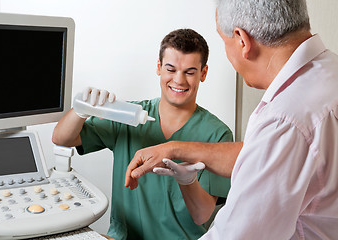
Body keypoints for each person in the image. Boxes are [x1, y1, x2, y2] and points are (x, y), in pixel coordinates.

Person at [125, 0, 338, 239]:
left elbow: (236, 234)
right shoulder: (329, 72)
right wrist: (175, 148)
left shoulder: (285, 119)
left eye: (223, 41)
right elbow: (264, 155)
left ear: (242, 40)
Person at [52, 28, 233, 240]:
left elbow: (202, 216)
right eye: (171, 69)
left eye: (190, 72)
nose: (179, 80)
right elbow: (61, 138)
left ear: (203, 73)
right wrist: (81, 110)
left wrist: (188, 182)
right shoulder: (127, 116)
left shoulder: (217, 135)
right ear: (159, 67)